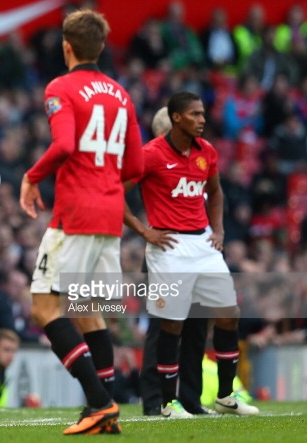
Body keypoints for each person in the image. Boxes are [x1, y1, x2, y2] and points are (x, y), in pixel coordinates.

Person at [19, 9, 144, 435]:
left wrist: (31, 176)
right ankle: (105, 411)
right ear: (103, 46)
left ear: (66, 47)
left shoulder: (61, 86)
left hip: (75, 214)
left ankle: (100, 402)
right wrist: (108, 189)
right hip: (109, 216)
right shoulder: (121, 94)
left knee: (44, 307)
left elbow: (65, 144)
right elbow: (137, 165)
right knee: (90, 310)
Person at [123, 91, 259, 418]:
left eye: (202, 113)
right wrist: (144, 231)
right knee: (171, 323)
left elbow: (215, 193)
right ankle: (168, 404)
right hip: (169, 247)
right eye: (195, 114)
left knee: (229, 313)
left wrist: (220, 230)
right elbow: (115, 192)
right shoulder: (150, 154)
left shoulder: (207, 152)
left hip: (203, 243)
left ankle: (226, 396)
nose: (202, 119)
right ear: (176, 118)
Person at [137, 107, 212, 416]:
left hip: (199, 253)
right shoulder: (152, 161)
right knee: (163, 328)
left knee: (196, 326)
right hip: (165, 254)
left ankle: (192, 399)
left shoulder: (197, 160)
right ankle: (155, 400)